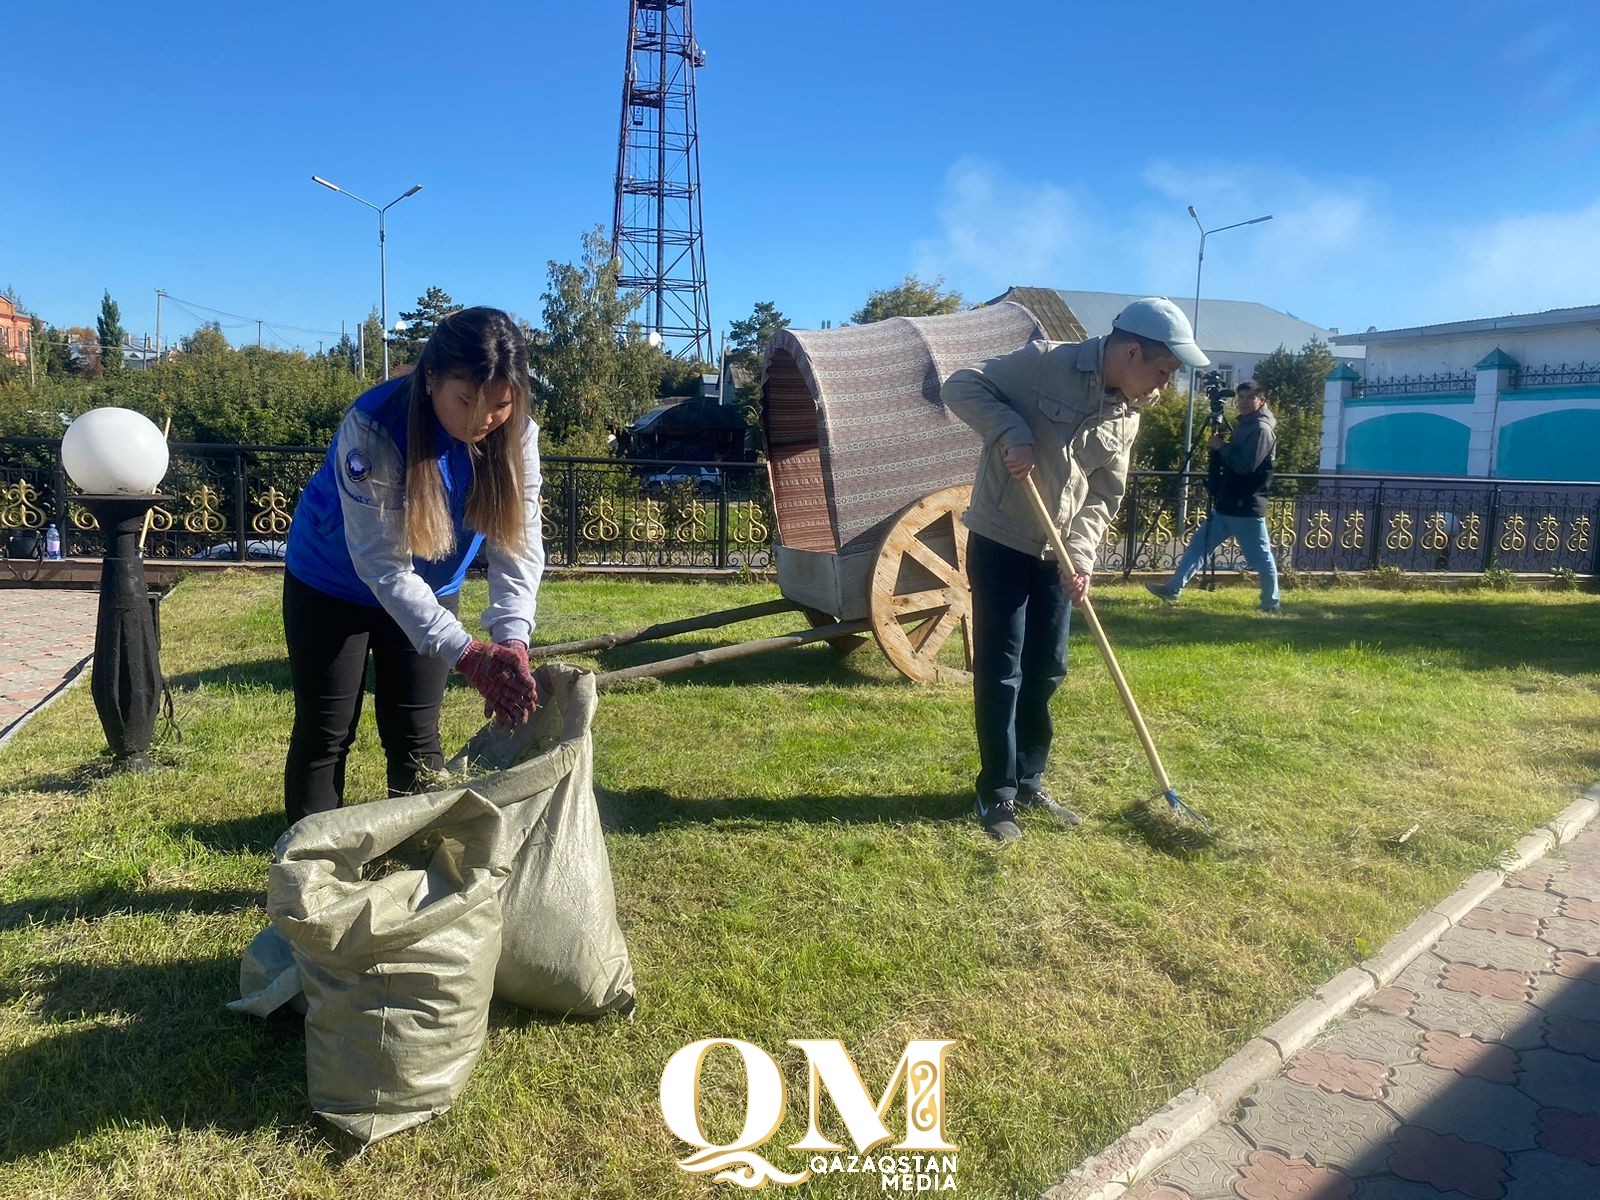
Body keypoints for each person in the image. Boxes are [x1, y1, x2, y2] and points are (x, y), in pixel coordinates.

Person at [943, 297, 1209, 842]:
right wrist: (1009, 431)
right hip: (1002, 538)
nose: (1162, 388)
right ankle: (996, 793)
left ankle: (1030, 779)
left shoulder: (1127, 414)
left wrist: (1082, 557)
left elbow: (1104, 496)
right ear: (1132, 352)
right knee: (1003, 668)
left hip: (1058, 554)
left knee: (1048, 668)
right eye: (1161, 374)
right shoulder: (1045, 362)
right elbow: (960, 386)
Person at [281, 306, 544, 826]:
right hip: (332, 584)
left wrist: (512, 637)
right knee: (326, 731)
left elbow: (518, 542)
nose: (479, 420)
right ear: (430, 379)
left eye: (498, 406)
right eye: (465, 400)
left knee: (416, 733)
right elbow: (381, 565)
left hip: (432, 583)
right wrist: (467, 653)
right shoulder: (372, 428)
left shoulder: (518, 435)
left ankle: (415, 871)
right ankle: (308, 876)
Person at [1146, 378, 1279, 613]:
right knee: (1198, 546)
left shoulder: (1260, 429)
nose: (1244, 403)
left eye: (1251, 398)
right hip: (1229, 503)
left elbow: (1246, 465)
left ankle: (1271, 603)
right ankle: (1173, 589)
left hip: (1245, 505)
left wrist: (1220, 447)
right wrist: (1222, 449)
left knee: (1261, 557)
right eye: (1241, 398)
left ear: (1262, 400)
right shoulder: (1247, 424)